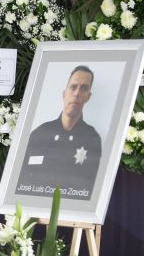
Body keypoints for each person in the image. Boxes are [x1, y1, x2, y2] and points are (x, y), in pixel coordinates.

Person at [15, 65, 102, 201]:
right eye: (73, 87)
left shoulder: (92, 139)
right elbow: (22, 181)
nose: (77, 93)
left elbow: (89, 189)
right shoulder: (39, 134)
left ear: (88, 96)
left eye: (84, 88)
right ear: (64, 93)